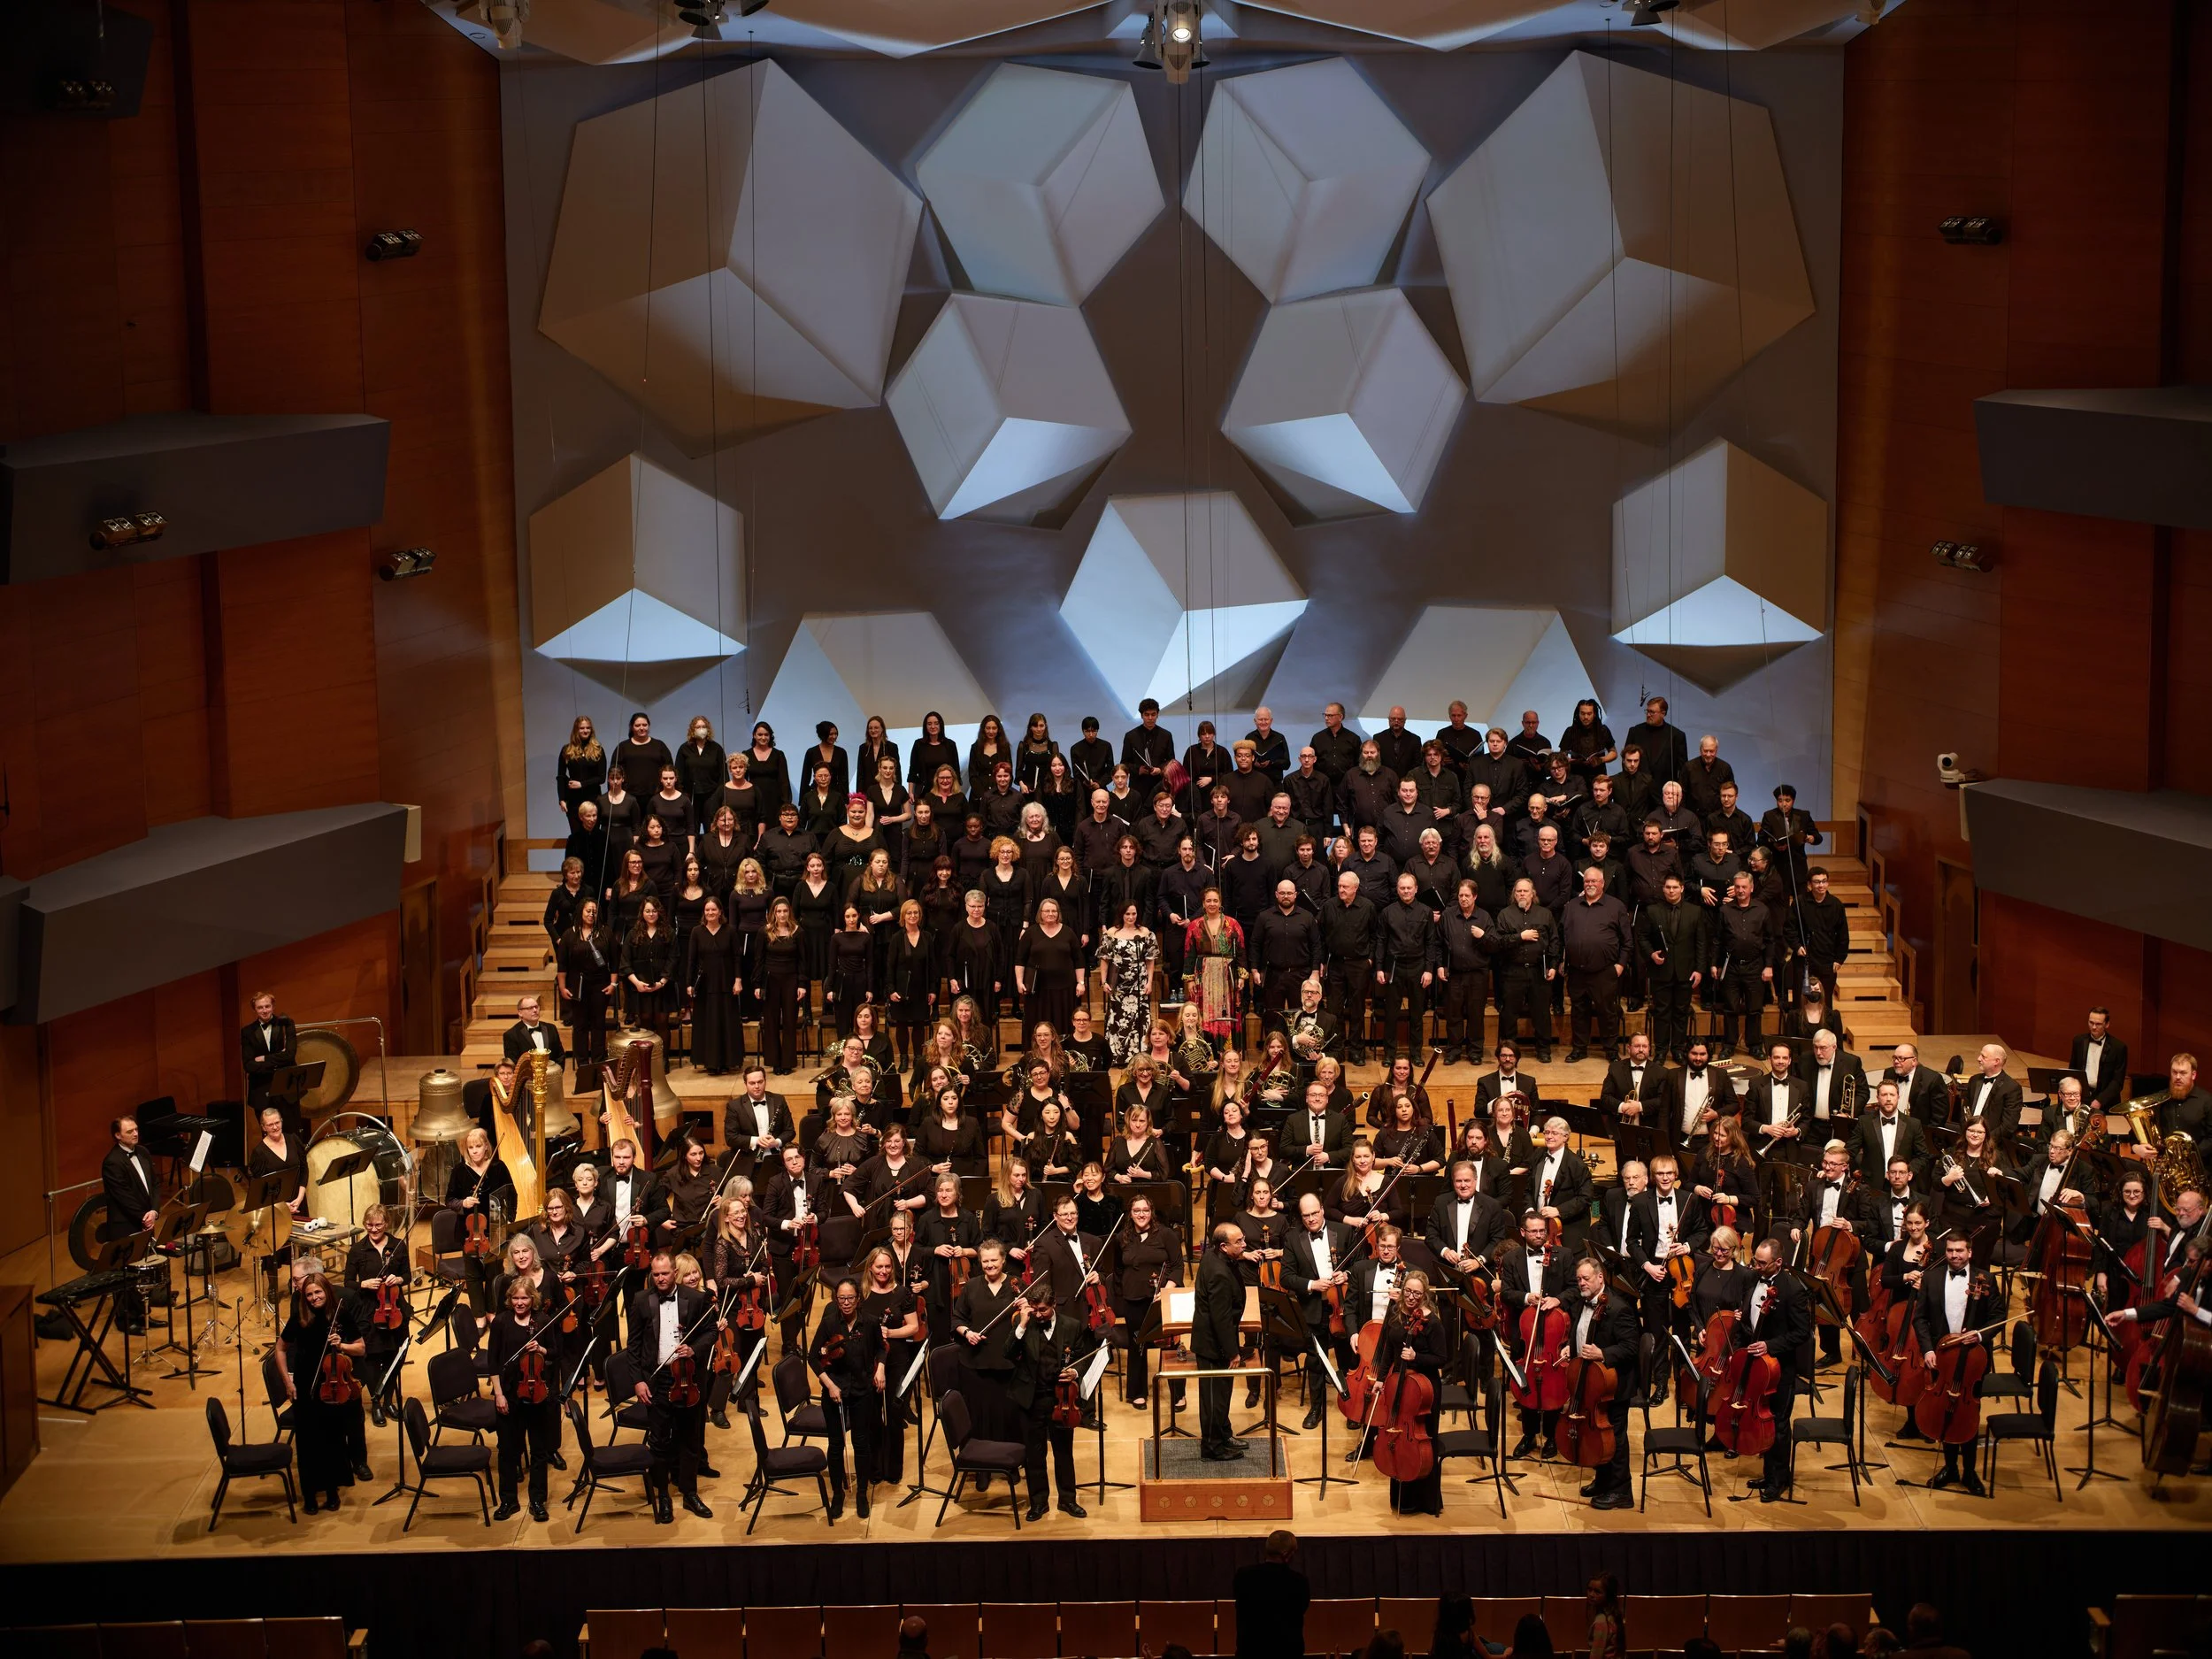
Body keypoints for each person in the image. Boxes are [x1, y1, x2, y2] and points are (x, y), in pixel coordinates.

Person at [627, 1249, 712, 1522]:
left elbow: (711, 1331)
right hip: (657, 1380)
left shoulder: (695, 1299)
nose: (661, 1279)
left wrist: (694, 1349)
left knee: (690, 1438)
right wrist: (638, 1380)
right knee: (660, 1440)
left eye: (665, 1273)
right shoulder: (642, 1300)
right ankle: (663, 1494)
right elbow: (633, 1346)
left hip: (687, 1378)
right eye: (656, 1275)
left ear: (675, 1272)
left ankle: (689, 1493)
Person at [1913, 1233, 2000, 1495]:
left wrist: (1980, 1335)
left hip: (1974, 1359)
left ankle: (1969, 1471)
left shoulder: (1986, 1279)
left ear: (1970, 1252)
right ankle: (1950, 1467)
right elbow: (1920, 1319)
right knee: (1944, 1409)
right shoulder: (1932, 1278)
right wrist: (1928, 1349)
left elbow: (1998, 1316)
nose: (1954, 1255)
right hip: (1942, 1356)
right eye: (1950, 1250)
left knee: (1967, 1412)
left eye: (1960, 1250)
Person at [1008, 1279, 1099, 1520]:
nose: (1038, 1315)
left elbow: (1083, 1357)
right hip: (1032, 1399)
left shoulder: (1072, 1326)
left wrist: (1075, 1372)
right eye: (1035, 1310)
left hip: (1062, 1400)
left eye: (1043, 1310)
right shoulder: (1024, 1323)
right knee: (1034, 1455)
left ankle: (1067, 1500)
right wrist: (1022, 1325)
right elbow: (1008, 1353)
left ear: (1054, 1305)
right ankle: (1039, 1503)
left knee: (1064, 1453)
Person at [276, 1271, 367, 1513]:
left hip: (331, 1387)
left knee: (332, 1440)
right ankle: (309, 1495)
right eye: (309, 1294)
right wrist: (288, 1382)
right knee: (307, 1444)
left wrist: (341, 1345)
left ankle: (331, 1491)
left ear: (326, 1291)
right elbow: (280, 1349)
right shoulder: (299, 1318)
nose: (314, 1297)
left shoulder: (340, 1314)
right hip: (305, 1387)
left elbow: (360, 1348)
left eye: (318, 1292)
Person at [1735, 1236, 1809, 1502]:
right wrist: (1742, 1321)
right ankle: (1769, 1474)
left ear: (1778, 1262)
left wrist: (1770, 1345)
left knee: (1778, 1424)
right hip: (1757, 1367)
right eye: (1755, 1261)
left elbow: (1802, 1332)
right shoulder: (1752, 1278)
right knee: (1761, 1420)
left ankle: (1779, 1480)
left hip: (1779, 1369)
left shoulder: (1793, 1289)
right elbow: (1752, 1318)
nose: (1756, 1266)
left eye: (1762, 1263)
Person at [1374, 1269, 1449, 1515]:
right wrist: (1381, 1379)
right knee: (1399, 1437)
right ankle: (1402, 1498)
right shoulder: (1397, 1314)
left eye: (1417, 1293)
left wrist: (1417, 1356)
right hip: (1400, 1384)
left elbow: (1441, 1358)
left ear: (1425, 1294)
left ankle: (1426, 1500)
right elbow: (1389, 1349)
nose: (1411, 1297)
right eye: (1408, 1291)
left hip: (1424, 1389)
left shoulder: (1432, 1323)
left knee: (1423, 1440)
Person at [1566, 1256, 1639, 1509]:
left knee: (1614, 1437)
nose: (1582, 1283)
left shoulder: (1619, 1309)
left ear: (1600, 1277)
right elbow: (1579, 1333)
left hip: (1613, 1385)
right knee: (1597, 1435)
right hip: (1592, 1384)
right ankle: (1604, 1480)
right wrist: (1570, 1347)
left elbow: (1631, 1347)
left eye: (1586, 1278)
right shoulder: (1581, 1303)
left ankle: (1622, 1491)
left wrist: (1603, 1353)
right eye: (1578, 1279)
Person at [486, 1279, 559, 1521]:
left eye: (524, 1298)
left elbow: (555, 1353)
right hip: (508, 1394)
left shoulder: (543, 1322)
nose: (519, 1302)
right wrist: (498, 1394)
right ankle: (508, 1501)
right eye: (515, 1298)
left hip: (537, 1395)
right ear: (510, 1299)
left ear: (533, 1299)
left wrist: (542, 1350)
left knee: (539, 1450)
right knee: (508, 1450)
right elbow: (493, 1362)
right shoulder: (501, 1322)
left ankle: (537, 1500)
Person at [1194, 1222, 1248, 1461]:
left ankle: (1224, 1434)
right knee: (1214, 1398)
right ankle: (1212, 1447)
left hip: (1217, 1340)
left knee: (1222, 1394)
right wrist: (1232, 1352)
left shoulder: (1214, 1256)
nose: (1244, 1244)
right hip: (1213, 1344)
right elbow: (1221, 1317)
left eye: (1243, 1239)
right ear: (1224, 1246)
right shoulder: (1218, 1272)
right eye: (1239, 1242)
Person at [1232, 1530, 1310, 1659]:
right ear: (1286, 1555)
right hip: (1288, 1654)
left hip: (1249, 1653)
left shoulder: (1243, 1576)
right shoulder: (1299, 1582)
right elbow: (1301, 1609)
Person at [240, 991, 299, 1125]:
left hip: (286, 1089)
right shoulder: (247, 1032)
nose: (265, 1010)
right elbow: (248, 1065)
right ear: (255, 1009)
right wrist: (280, 1059)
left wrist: (264, 1059)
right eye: (260, 1007)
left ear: (273, 1006)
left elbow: (290, 1055)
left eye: (267, 1006)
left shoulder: (287, 1024)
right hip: (261, 1090)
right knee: (268, 1133)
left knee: (290, 1131)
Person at [2070, 1006, 2129, 1109]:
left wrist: (2100, 1101)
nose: (2093, 1027)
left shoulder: (2118, 1047)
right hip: (2082, 1096)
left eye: (2098, 1024)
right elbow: (2072, 1070)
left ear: (2107, 1024)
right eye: (2091, 1023)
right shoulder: (2078, 1041)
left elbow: (2117, 1082)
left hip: (2105, 1101)